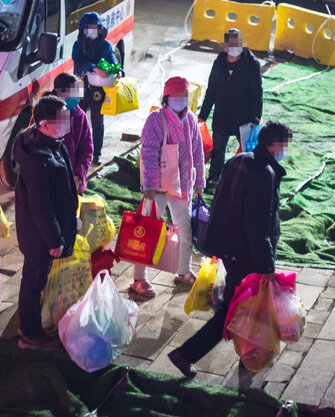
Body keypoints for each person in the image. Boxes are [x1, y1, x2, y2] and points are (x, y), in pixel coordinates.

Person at [167, 120, 290, 378]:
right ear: (274, 144)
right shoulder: (263, 174)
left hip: (227, 245)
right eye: (284, 145)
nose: (285, 151)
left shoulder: (240, 160)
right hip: (245, 252)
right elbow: (257, 224)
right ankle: (187, 354)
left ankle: (249, 356)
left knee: (244, 304)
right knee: (234, 310)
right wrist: (266, 265)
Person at [13, 95, 79, 349]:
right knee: (33, 283)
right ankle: (30, 334)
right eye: (60, 119)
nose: (66, 122)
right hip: (39, 235)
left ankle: (27, 325)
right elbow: (41, 207)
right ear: (43, 124)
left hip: (43, 232)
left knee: (34, 280)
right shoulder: (37, 159)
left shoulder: (51, 143)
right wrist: (54, 240)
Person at [132, 76, 206, 299]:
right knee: (148, 229)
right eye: (175, 96)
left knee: (185, 229)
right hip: (157, 187)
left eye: (184, 96)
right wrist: (150, 185)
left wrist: (200, 181)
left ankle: (183, 271)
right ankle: (139, 278)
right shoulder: (155, 119)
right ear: (166, 97)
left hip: (183, 185)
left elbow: (198, 153)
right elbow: (149, 153)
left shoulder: (191, 119)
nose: (180, 100)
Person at [198, 28, 263, 188]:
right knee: (218, 149)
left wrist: (256, 117)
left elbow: (257, 92)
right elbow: (211, 90)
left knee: (247, 151)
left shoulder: (251, 64)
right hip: (222, 116)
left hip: (245, 117)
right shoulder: (219, 63)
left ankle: (246, 179)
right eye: (230, 43)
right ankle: (214, 177)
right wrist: (203, 115)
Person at [72, 11, 120, 166]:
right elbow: (78, 63)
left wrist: (119, 71)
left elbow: (112, 61)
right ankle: (76, 152)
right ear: (83, 29)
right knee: (77, 120)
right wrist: (94, 68)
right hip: (81, 87)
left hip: (99, 90)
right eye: (89, 28)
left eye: (95, 27)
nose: (92, 31)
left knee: (97, 122)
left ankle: (97, 153)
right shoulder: (78, 45)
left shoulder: (106, 46)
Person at [46, 73, 94, 193]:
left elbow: (87, 149)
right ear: (60, 93)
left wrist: (78, 175)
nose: (77, 99)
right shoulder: (45, 114)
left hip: (73, 183)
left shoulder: (80, 116)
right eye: (73, 94)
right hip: (48, 183)